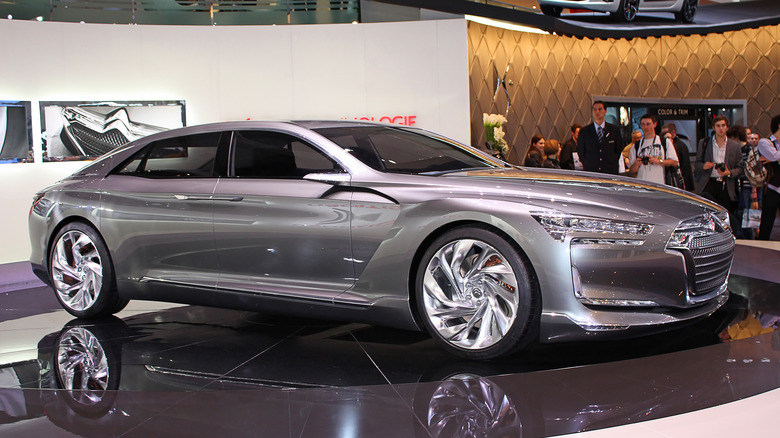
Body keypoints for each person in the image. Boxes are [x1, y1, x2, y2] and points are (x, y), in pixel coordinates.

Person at [695, 115, 743, 230]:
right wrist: (704, 166)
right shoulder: (705, 143)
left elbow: (740, 168)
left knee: (726, 214)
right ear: (713, 128)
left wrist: (729, 172)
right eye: (718, 126)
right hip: (709, 183)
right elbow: (697, 164)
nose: (721, 128)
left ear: (727, 128)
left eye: (723, 126)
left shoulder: (735, 146)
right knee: (707, 214)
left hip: (726, 185)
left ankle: (727, 235)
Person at [628, 114, 679, 185]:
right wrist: (636, 164)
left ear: (654, 124)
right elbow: (631, 171)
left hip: (661, 185)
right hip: (642, 185)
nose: (645, 127)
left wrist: (658, 161)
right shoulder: (636, 146)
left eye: (648, 124)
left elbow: (675, 162)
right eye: (643, 124)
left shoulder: (664, 142)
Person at [577, 101, 624, 174]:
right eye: (595, 109)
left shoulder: (614, 130)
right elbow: (581, 151)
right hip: (591, 170)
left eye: (600, 109)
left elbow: (618, 149)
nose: (597, 112)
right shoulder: (584, 131)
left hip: (610, 170)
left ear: (605, 111)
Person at [757, 114, 780, 240]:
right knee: (767, 223)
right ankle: (761, 248)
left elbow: (775, 156)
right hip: (771, 188)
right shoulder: (765, 142)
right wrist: (774, 156)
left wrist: (775, 156)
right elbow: (773, 156)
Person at [662, 123, 695, 191]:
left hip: (677, 182)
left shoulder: (677, 147)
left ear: (673, 133)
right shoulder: (682, 145)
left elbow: (683, 167)